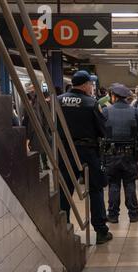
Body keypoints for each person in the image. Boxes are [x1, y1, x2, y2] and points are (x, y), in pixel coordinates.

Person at [57, 70, 112, 245]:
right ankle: (101, 231)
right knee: (95, 189)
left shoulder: (58, 101)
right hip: (87, 151)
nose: (91, 87)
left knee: (65, 188)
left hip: (64, 150)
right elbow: (102, 129)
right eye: (90, 84)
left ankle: (62, 227)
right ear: (85, 84)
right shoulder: (91, 103)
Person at [102, 84, 138, 224]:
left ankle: (113, 215)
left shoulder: (105, 111)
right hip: (129, 155)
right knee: (129, 183)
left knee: (113, 184)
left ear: (114, 96)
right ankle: (133, 214)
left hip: (111, 155)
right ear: (126, 97)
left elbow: (99, 133)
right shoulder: (135, 112)